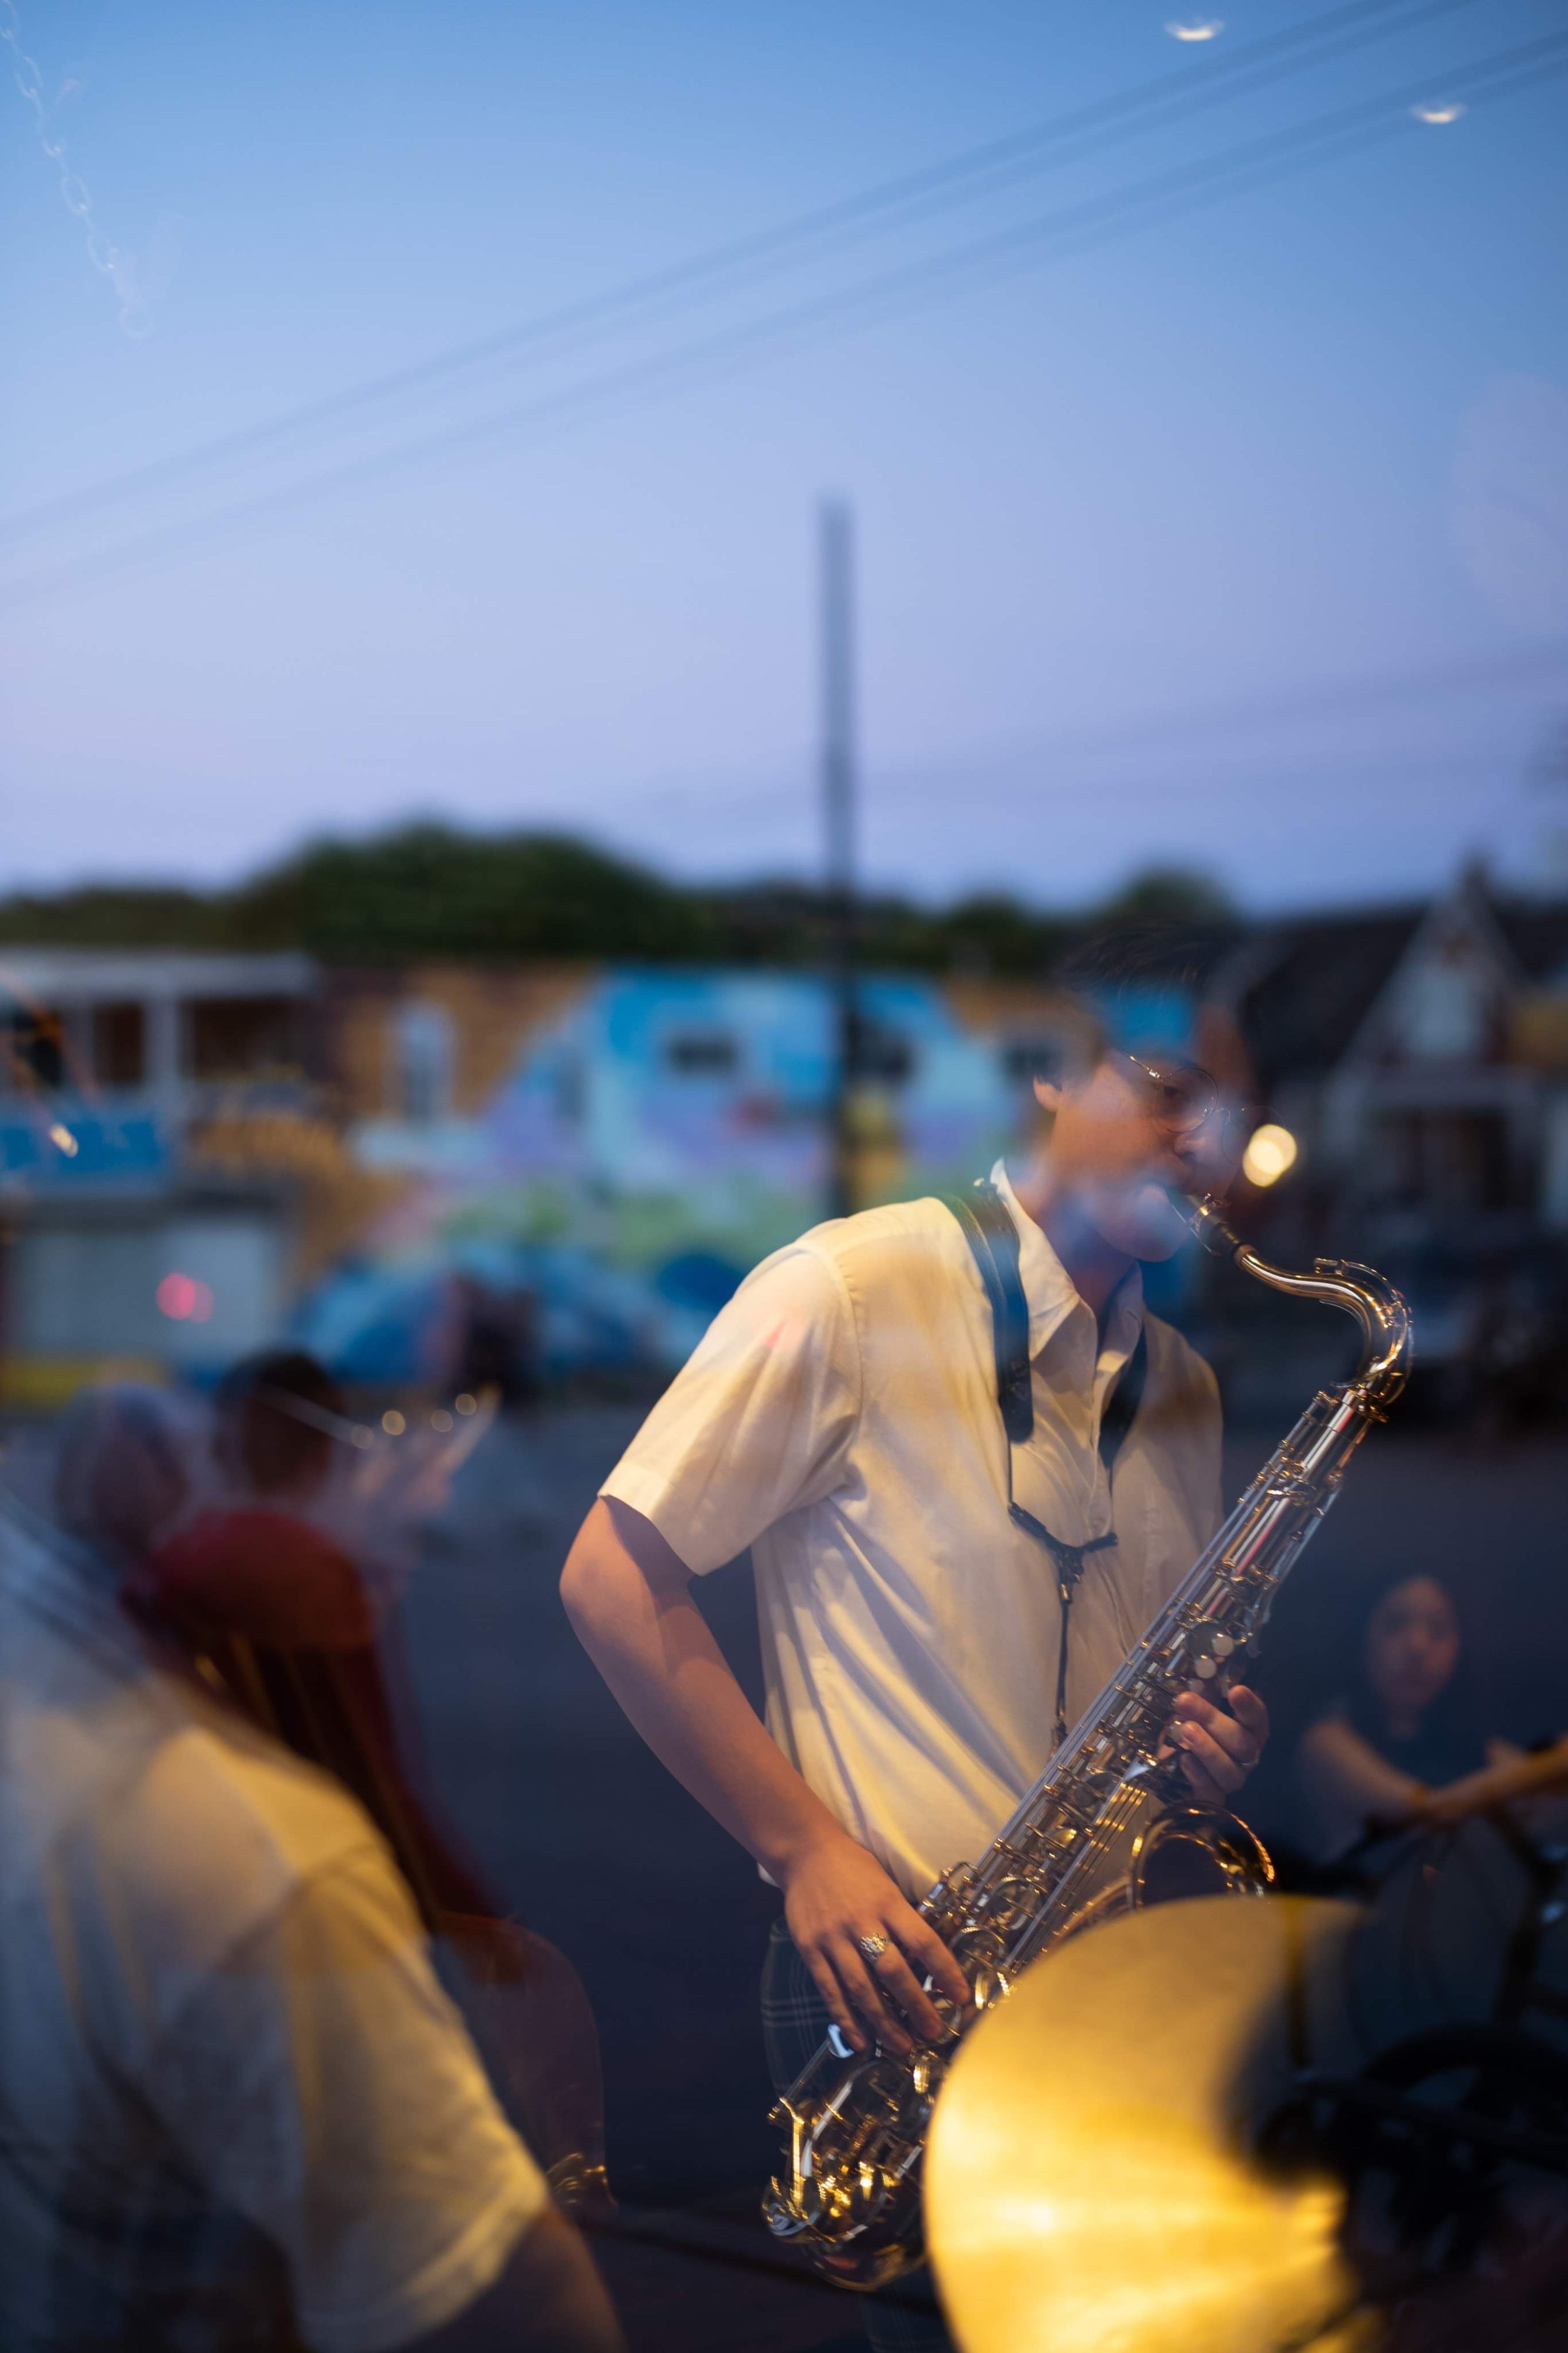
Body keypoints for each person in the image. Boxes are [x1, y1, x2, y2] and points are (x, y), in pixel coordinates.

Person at [561, 1015, 1268, 2349]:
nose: (1200, 1140)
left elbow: (1146, 1690)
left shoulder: (1184, 1383)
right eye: (1165, 1089)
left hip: (1112, 1995)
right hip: (902, 1983)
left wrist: (1208, 1741)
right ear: (1051, 1073)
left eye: (1227, 1111)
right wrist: (800, 1848)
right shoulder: (849, 1287)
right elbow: (610, 1577)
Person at [0, 1381, 622, 2353]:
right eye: (382, 1564)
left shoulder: (42, 1656)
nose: (397, 1577)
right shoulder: (259, 1865)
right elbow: (518, 2307)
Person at [1294, 1571, 1499, 1864]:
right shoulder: (1325, 1742)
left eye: (1438, 1630)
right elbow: (1429, 1812)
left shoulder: (1470, 1739)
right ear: (1361, 1635)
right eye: (1395, 1624)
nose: (1418, 1646)